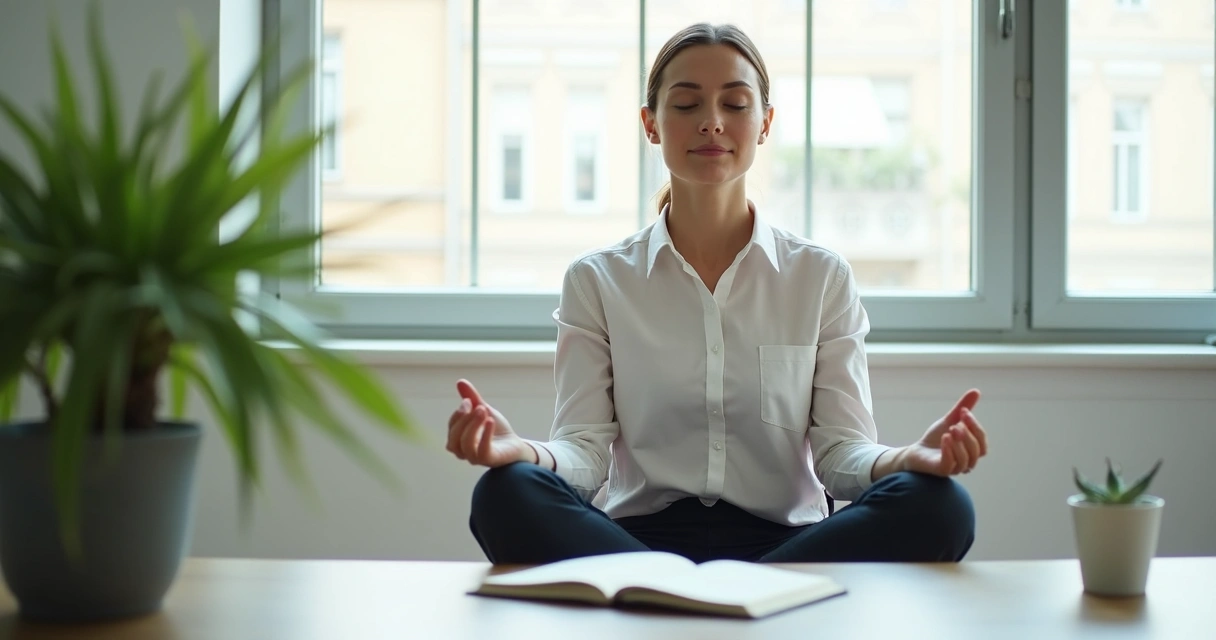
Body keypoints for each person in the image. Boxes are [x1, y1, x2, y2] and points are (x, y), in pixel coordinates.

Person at [446, 22, 988, 566]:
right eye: (685, 105)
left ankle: (687, 598)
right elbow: (585, 454)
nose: (711, 123)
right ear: (650, 125)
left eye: (735, 103)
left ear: (765, 122)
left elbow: (841, 455)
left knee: (939, 504)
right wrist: (523, 453)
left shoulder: (820, 277)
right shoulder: (598, 280)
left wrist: (907, 459)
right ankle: (738, 598)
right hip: (637, 542)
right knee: (505, 492)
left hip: (788, 542)